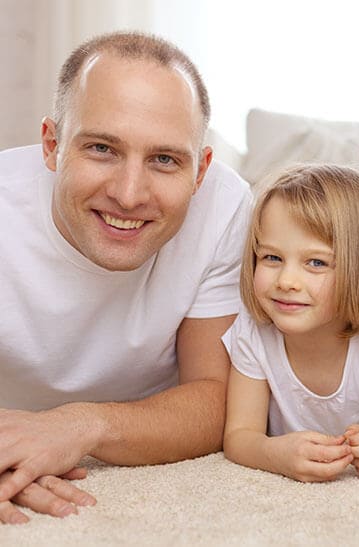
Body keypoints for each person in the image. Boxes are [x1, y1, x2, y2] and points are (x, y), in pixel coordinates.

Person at [0, 32, 252, 524]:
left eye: (164, 159)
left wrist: (79, 426)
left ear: (200, 171)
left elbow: (216, 398)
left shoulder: (225, 206)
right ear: (52, 145)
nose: (130, 194)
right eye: (101, 148)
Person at [222, 164, 359, 482]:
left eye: (316, 262)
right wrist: (276, 455)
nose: (287, 281)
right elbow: (240, 436)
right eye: (272, 258)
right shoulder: (254, 334)